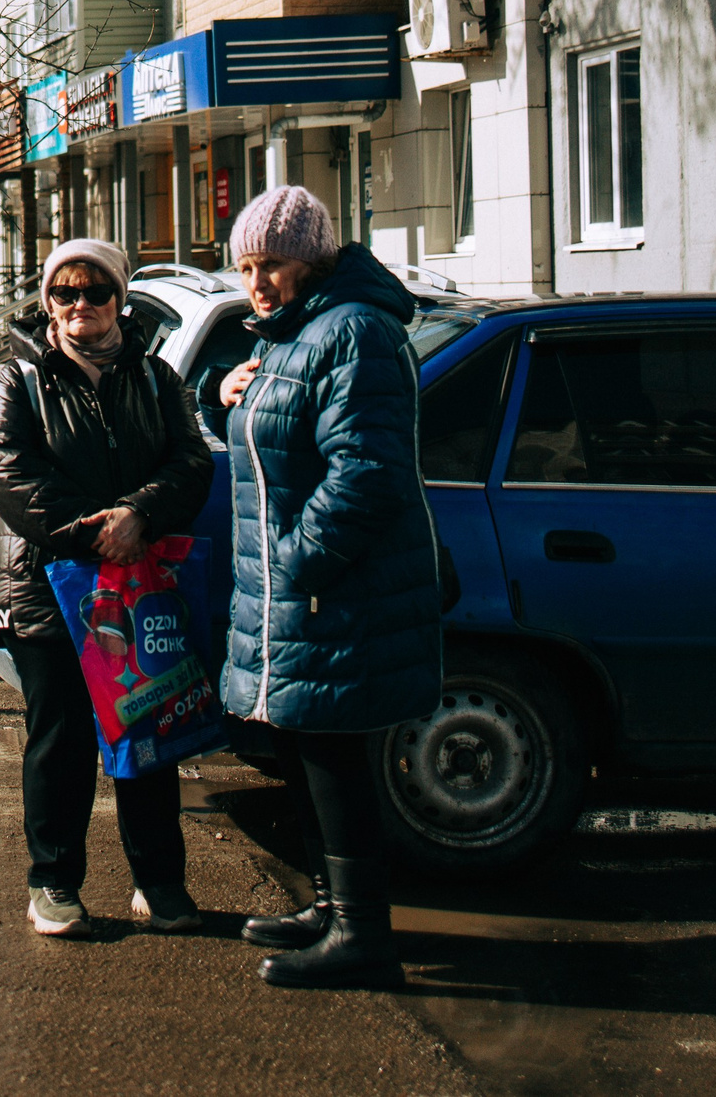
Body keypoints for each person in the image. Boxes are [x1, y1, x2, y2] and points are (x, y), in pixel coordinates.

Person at [214, 185, 443, 990]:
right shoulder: (298, 334)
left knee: (335, 755)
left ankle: (362, 932)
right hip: (300, 594)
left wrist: (301, 563)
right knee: (307, 748)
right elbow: (283, 443)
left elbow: (367, 473)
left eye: (271, 262)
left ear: (312, 258)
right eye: (246, 267)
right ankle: (327, 906)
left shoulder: (353, 331)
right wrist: (231, 398)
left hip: (331, 591)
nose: (257, 281)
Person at [0, 238, 216, 941]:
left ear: (120, 299)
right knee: (60, 742)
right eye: (65, 293)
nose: (81, 305)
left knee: (149, 727)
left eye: (96, 291)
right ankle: (53, 882)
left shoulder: (155, 378)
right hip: (49, 587)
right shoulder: (19, 381)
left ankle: (159, 880)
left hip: (139, 585)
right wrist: (94, 533)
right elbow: (8, 474)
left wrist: (141, 512)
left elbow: (192, 462)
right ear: (49, 303)